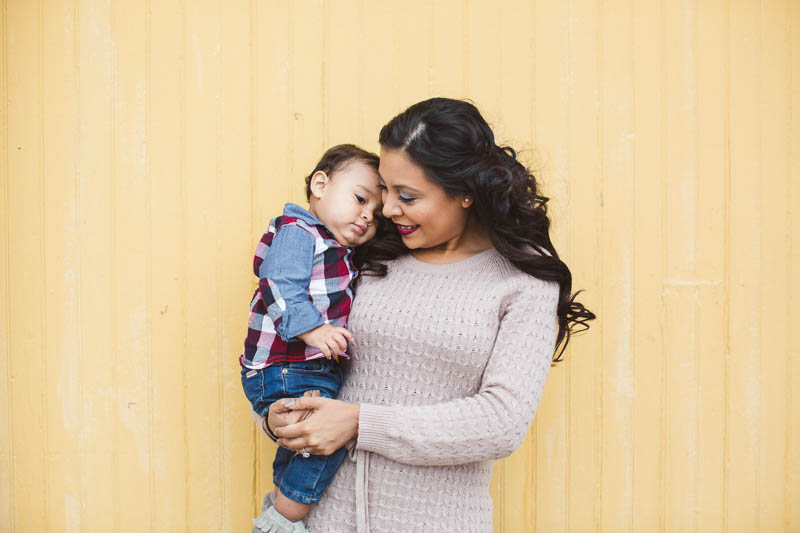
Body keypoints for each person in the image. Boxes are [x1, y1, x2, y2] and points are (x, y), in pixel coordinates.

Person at [259, 98, 596, 533]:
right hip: (320, 520)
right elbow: (294, 348)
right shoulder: (367, 254)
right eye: (384, 191)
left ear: (464, 193)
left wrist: (361, 422)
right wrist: (278, 415)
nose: (388, 210)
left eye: (408, 196)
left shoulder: (524, 277)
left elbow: (501, 423)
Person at [240, 144, 387, 533]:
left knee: (303, 441)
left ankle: (280, 504)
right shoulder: (299, 232)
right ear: (320, 184)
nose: (366, 215)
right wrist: (314, 330)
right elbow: (278, 283)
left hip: (302, 368)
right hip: (284, 365)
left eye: (375, 213)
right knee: (325, 441)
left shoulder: (336, 246)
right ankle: (279, 523)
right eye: (360, 199)